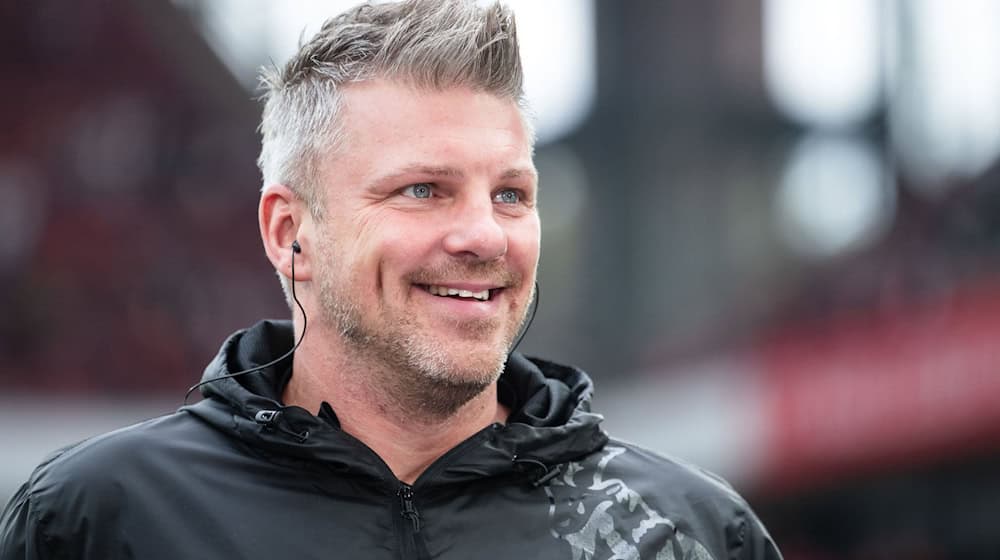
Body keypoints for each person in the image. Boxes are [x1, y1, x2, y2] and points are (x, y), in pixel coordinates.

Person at [0, 1, 781, 558]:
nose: (483, 235)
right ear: (289, 233)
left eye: (510, 194)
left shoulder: (694, 532)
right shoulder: (98, 519)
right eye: (423, 190)